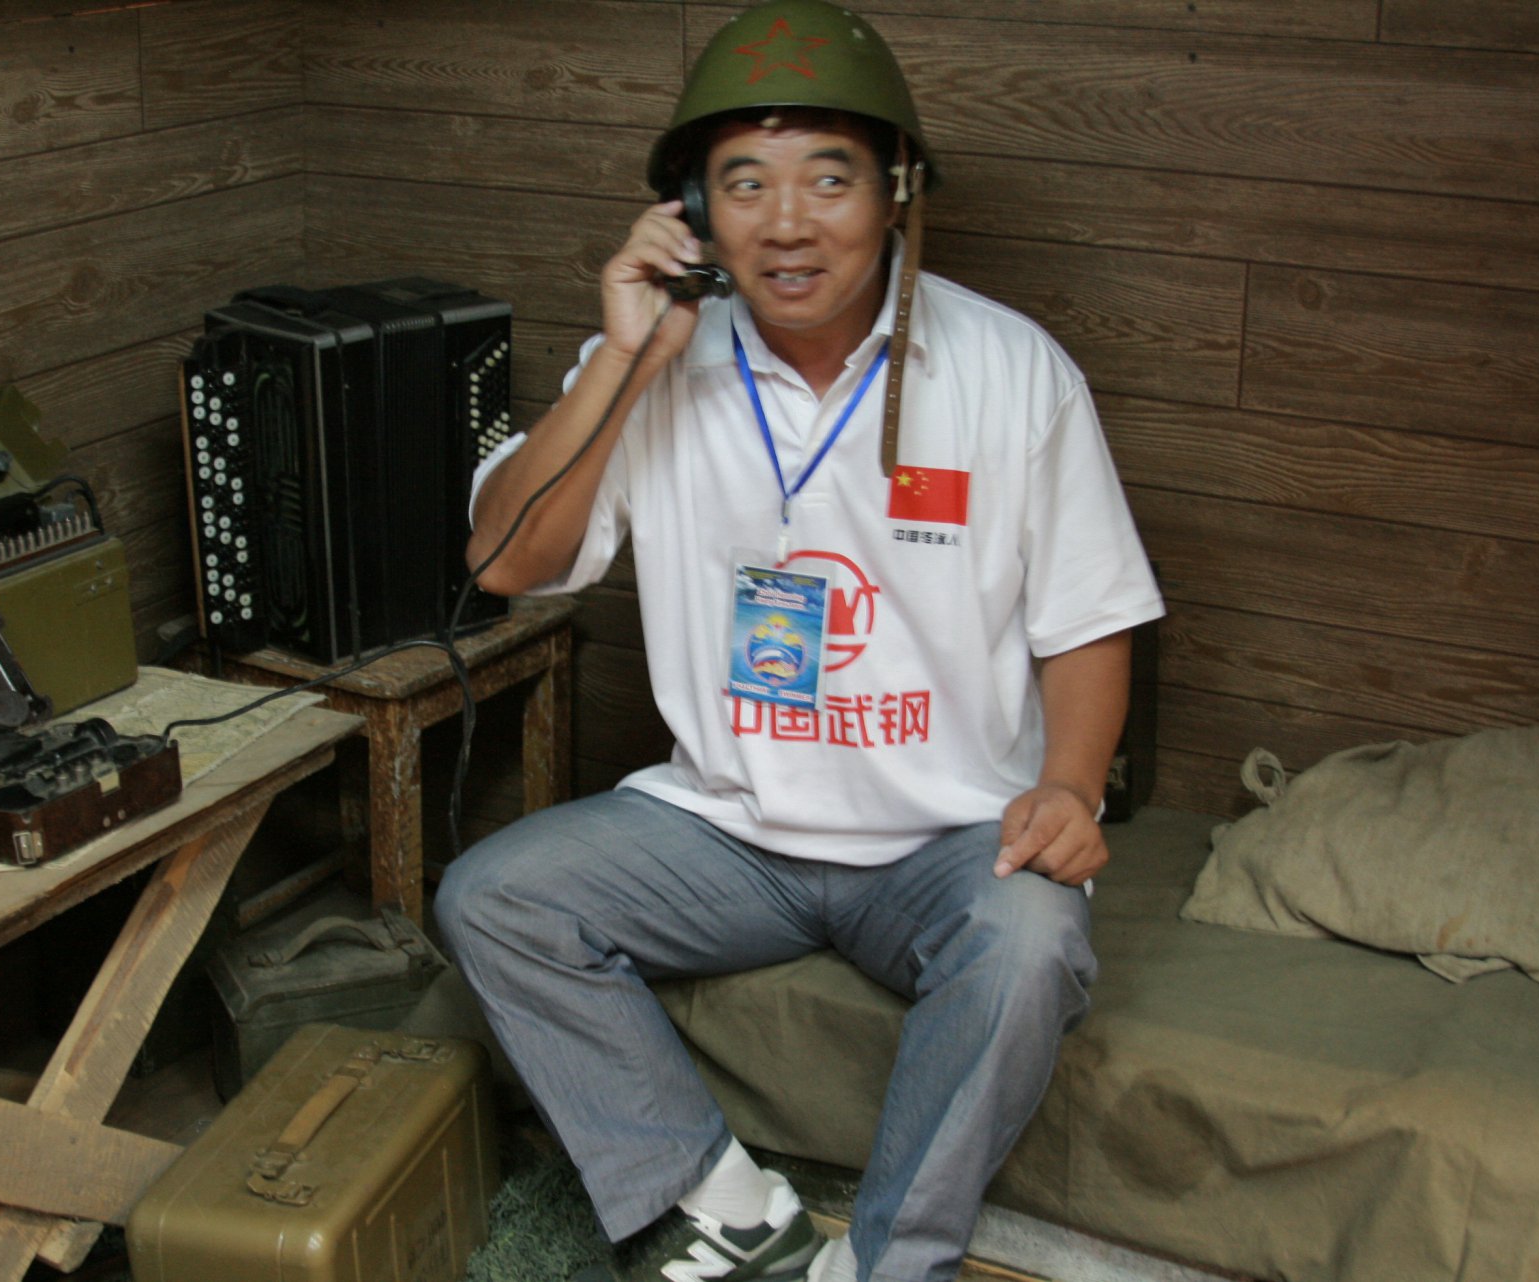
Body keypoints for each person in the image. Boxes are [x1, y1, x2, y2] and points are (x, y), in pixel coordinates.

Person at [435, 3, 1165, 1279]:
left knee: (1033, 940)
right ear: (692, 212)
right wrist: (623, 359)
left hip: (946, 838)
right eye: (744, 184)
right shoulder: (652, 363)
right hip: (728, 829)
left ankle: (889, 1263)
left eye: (829, 179)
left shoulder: (1012, 370)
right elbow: (504, 562)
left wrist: (1068, 786)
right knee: (494, 897)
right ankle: (724, 1202)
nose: (787, 222)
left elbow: (1092, 617)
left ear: (895, 195)